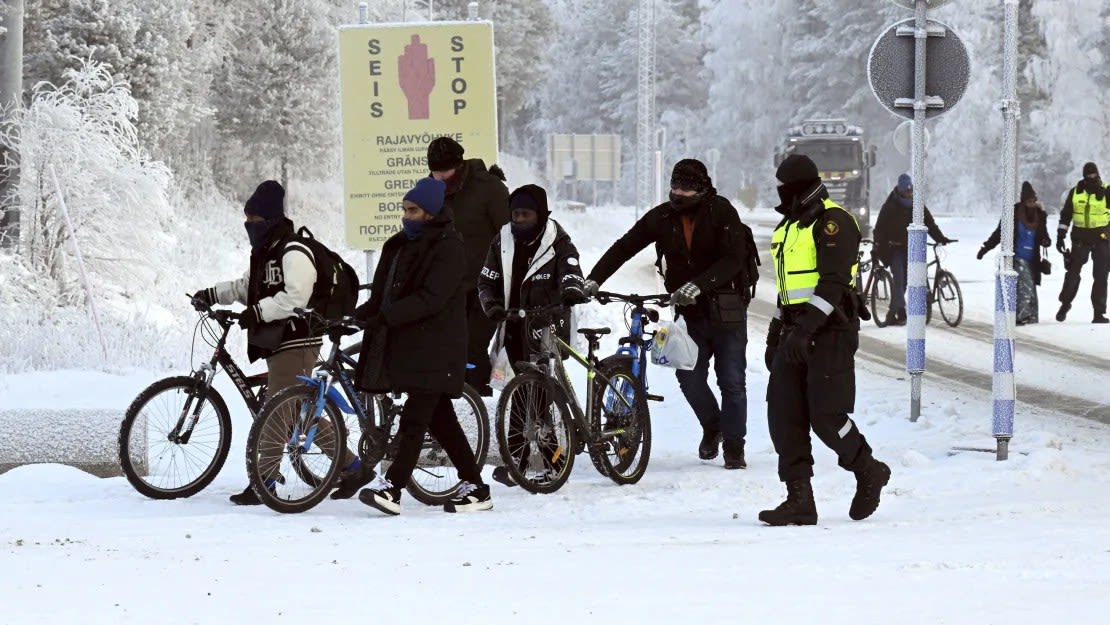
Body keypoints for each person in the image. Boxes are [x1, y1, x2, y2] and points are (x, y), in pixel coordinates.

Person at [191, 180, 370, 505]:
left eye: (255, 219)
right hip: (278, 340)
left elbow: (295, 297)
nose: (250, 225)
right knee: (299, 412)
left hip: (299, 337)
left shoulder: (293, 250)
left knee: (276, 409)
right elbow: (247, 288)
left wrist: (257, 313)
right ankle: (353, 466)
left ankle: (266, 481)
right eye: (247, 219)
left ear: (270, 218)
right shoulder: (265, 254)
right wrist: (212, 294)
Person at [584, 159, 751, 469]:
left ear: (702, 187)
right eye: (675, 186)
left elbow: (734, 258)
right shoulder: (663, 216)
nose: (679, 193)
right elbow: (625, 247)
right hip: (691, 313)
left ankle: (734, 445)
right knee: (689, 376)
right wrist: (595, 279)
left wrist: (698, 285)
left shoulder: (722, 211)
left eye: (686, 188)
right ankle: (713, 425)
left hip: (727, 311)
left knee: (731, 380)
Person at [759, 154, 890, 526]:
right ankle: (799, 499)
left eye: (785, 186)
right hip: (794, 330)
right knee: (784, 414)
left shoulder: (834, 222)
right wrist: (776, 332)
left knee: (826, 415)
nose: (780, 192)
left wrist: (805, 329)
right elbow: (789, 290)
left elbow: (832, 284)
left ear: (799, 187)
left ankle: (868, 469)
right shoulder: (789, 227)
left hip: (830, 329)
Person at [354, 177, 492, 515]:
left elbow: (430, 299)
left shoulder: (449, 247)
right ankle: (477, 488)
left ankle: (393, 487)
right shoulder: (397, 245)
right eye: (404, 210)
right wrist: (357, 316)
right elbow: (383, 294)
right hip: (413, 347)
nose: (407, 216)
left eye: (413, 210)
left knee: (415, 420)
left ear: (430, 212)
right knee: (442, 422)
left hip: (439, 348)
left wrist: (386, 317)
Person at [476, 184, 588, 486]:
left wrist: (571, 287)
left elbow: (571, 267)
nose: (520, 219)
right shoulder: (502, 240)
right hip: (514, 323)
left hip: (548, 323)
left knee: (539, 392)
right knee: (520, 388)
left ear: (540, 214)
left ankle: (534, 458)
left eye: (526, 214)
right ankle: (525, 458)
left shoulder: (557, 240)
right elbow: (487, 281)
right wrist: (493, 306)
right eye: (516, 214)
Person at [426, 136, 511, 394]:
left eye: (445, 171)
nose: (439, 177)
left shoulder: (490, 188)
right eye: (434, 172)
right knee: (449, 347)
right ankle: (465, 399)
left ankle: (479, 397)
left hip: (487, 285)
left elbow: (508, 235)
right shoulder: (431, 190)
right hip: (451, 286)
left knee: (472, 345)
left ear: (459, 165)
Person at [872, 173, 954, 326]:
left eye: (911, 191)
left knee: (907, 281)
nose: (909, 193)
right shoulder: (890, 206)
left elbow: (930, 224)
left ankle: (893, 311)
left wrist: (941, 238)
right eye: (907, 191)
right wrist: (877, 245)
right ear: (901, 190)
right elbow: (880, 227)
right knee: (899, 279)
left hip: (912, 249)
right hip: (894, 248)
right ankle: (901, 312)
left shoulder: (917, 206)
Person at [977, 181, 1051, 325]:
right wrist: (985, 248)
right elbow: (999, 233)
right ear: (1023, 201)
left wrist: (1046, 241)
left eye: (1034, 201)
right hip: (1016, 257)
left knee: (1032, 290)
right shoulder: (1012, 214)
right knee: (1026, 287)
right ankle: (1020, 316)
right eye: (1029, 201)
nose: (1032, 204)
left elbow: (1044, 235)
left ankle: (1031, 317)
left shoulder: (1040, 216)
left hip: (1033, 259)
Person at [1055, 162, 1109, 323]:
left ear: (1098, 174)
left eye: (1093, 174)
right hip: (1080, 238)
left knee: (1101, 277)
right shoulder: (1075, 192)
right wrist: (1060, 235)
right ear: (1084, 176)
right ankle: (1065, 304)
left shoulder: (1107, 190)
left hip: (1102, 238)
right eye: (1088, 175)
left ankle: (1098, 313)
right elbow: (1066, 216)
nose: (1091, 177)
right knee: (1073, 273)